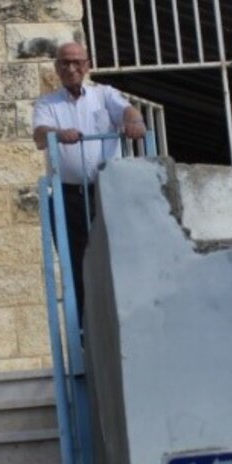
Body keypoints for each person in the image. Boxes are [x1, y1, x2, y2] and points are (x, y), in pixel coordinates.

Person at [32, 42, 146, 313]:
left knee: (117, 253)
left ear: (87, 65)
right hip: (70, 196)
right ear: (56, 68)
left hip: (107, 191)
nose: (71, 68)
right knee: (77, 262)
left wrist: (134, 121)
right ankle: (86, 328)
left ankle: (125, 313)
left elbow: (128, 111)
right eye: (64, 63)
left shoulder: (104, 95)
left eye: (77, 62)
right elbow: (39, 135)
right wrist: (58, 134)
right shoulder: (47, 104)